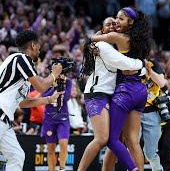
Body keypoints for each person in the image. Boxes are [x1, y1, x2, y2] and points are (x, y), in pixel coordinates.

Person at [77, 17, 145, 171]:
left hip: (110, 95)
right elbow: (126, 64)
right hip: (97, 94)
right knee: (102, 138)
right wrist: (143, 65)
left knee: (115, 139)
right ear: (101, 30)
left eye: (115, 24)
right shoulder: (101, 46)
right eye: (108, 24)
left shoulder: (111, 47)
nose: (112, 26)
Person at [0, 30, 62, 170]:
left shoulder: (20, 68)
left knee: (17, 156)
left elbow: (21, 102)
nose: (40, 50)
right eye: (39, 46)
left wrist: (48, 99)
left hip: (4, 119)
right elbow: (40, 86)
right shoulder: (21, 58)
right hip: (0, 114)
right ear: (33, 45)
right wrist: (54, 74)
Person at [41, 74, 72, 171]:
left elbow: (66, 97)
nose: (60, 75)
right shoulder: (47, 81)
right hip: (49, 119)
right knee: (50, 148)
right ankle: (51, 169)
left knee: (63, 143)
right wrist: (53, 87)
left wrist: (61, 85)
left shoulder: (68, 82)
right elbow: (44, 96)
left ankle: (62, 168)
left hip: (63, 119)